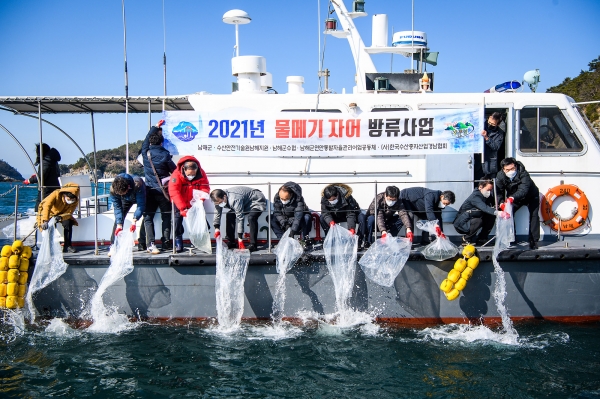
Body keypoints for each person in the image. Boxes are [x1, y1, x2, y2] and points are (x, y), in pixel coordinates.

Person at [141, 119, 176, 254]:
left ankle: (150, 243)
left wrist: (155, 127)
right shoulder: (165, 155)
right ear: (162, 143)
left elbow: (145, 141)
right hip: (163, 191)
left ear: (150, 142)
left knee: (148, 217)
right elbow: (174, 171)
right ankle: (166, 242)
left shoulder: (146, 152)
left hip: (149, 191)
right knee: (166, 216)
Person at [495, 157, 540, 249]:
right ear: (503, 169)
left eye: (512, 169)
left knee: (534, 215)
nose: (510, 171)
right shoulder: (500, 176)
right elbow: (498, 191)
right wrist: (501, 202)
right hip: (515, 198)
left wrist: (512, 198)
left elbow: (524, 189)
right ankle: (511, 238)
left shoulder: (523, 173)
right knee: (509, 214)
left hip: (531, 196)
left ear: (515, 166)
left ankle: (534, 240)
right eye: (507, 170)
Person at [169, 156, 210, 253]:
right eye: (189, 174)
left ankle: (200, 241)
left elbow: (205, 187)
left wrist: (200, 200)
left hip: (195, 202)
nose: (191, 176)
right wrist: (182, 208)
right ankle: (178, 241)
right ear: (184, 169)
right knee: (176, 222)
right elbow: (174, 191)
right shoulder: (176, 175)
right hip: (180, 202)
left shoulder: (201, 173)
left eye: (193, 174)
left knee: (202, 221)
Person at [210, 186, 267, 252]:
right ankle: (231, 242)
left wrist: (240, 239)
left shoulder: (234, 199)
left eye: (220, 202)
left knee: (251, 218)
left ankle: (253, 244)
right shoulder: (217, 199)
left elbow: (240, 217)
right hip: (244, 203)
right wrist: (216, 229)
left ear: (224, 196)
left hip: (256, 200)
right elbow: (217, 213)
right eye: (217, 203)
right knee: (229, 215)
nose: (220, 204)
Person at [453, 180, 503, 246]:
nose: (489, 192)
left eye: (491, 190)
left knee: (491, 216)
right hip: (461, 224)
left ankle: (482, 238)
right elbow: (484, 207)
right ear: (480, 187)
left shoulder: (485, 196)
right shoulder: (475, 197)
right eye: (488, 190)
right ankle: (466, 239)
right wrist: (498, 213)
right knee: (478, 221)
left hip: (472, 219)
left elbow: (490, 206)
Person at [108, 173, 146, 256]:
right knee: (119, 220)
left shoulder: (138, 183)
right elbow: (117, 208)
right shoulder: (114, 190)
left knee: (147, 215)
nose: (121, 195)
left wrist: (134, 220)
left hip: (139, 195)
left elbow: (141, 205)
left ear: (128, 187)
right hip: (126, 199)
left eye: (122, 193)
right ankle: (113, 245)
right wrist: (119, 225)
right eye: (119, 194)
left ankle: (143, 243)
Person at [36, 183, 80, 253]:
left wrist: (60, 217)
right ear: (64, 195)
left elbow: (69, 213)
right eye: (69, 199)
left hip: (62, 214)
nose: (71, 201)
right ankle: (49, 246)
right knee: (48, 226)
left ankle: (67, 246)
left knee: (68, 223)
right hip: (50, 213)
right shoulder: (56, 193)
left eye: (72, 199)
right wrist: (45, 220)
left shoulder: (75, 201)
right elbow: (47, 206)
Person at [24, 143, 62, 210]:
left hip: (47, 190)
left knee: (40, 208)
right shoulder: (52, 159)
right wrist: (36, 175)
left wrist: (29, 180)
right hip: (54, 188)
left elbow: (41, 177)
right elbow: (49, 173)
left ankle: (41, 220)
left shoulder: (46, 161)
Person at [474, 112, 505, 183]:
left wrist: (486, 138)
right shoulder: (480, 126)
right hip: (478, 162)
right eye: (489, 122)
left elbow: (496, 147)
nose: (490, 125)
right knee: (477, 183)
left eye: (493, 124)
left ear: (498, 124)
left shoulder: (499, 133)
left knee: (489, 184)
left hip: (489, 164)